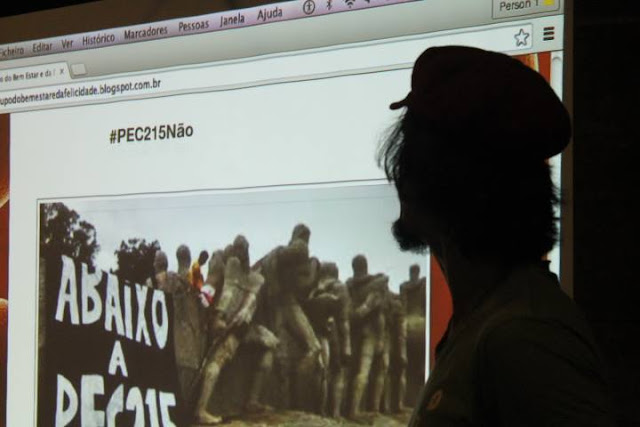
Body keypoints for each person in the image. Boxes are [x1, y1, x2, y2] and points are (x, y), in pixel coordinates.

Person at [378, 45, 615, 426]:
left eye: (409, 158)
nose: (398, 178)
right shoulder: (491, 317)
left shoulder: (524, 337)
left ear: (445, 180)